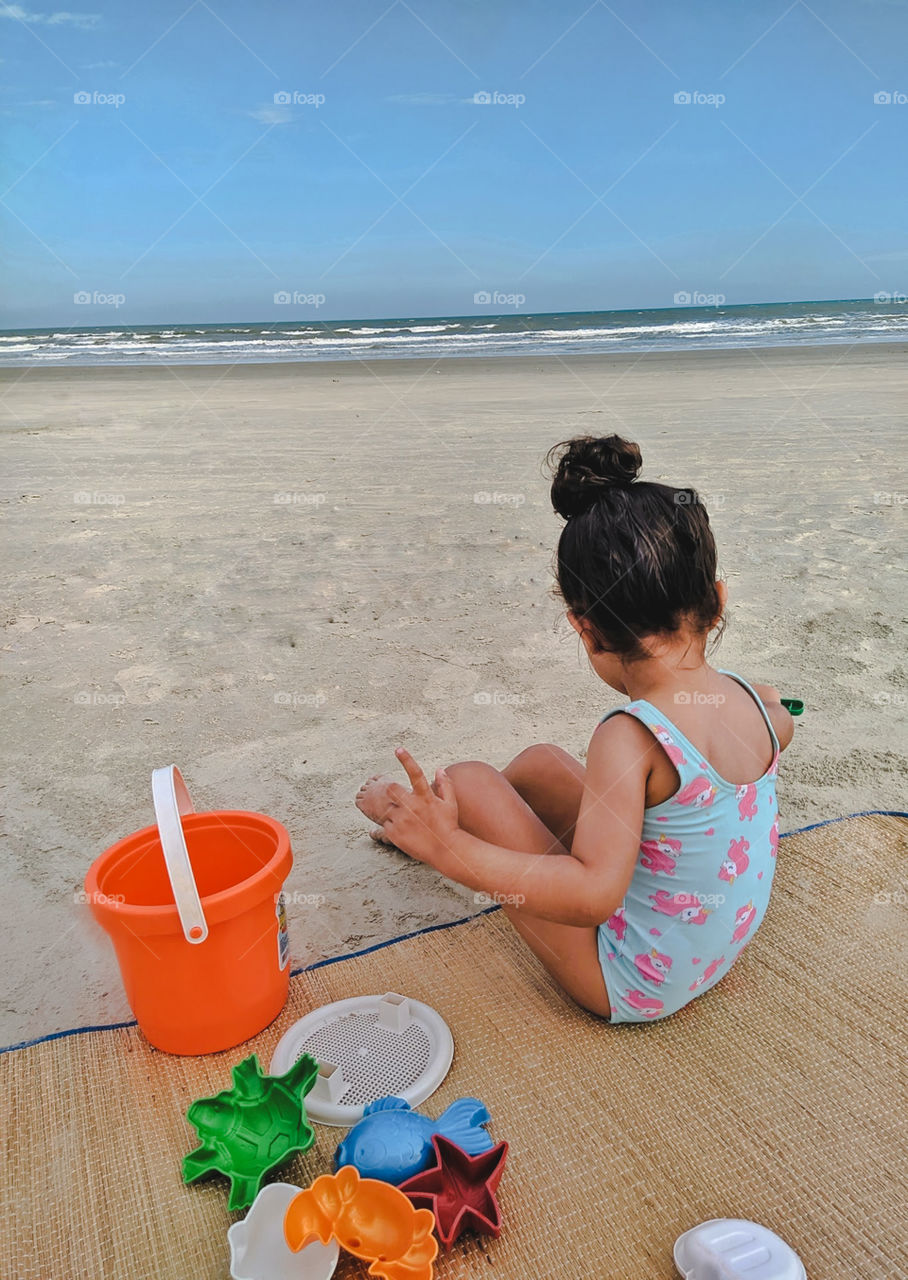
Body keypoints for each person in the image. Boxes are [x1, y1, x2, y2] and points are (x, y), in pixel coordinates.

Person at [355, 435, 794, 1022]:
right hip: (710, 945)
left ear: (585, 631)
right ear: (716, 601)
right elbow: (780, 725)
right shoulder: (755, 702)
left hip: (632, 981)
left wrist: (448, 850)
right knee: (539, 764)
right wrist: (768, 711)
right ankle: (429, 819)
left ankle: (422, 827)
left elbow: (593, 898)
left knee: (472, 780)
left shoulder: (630, 736)